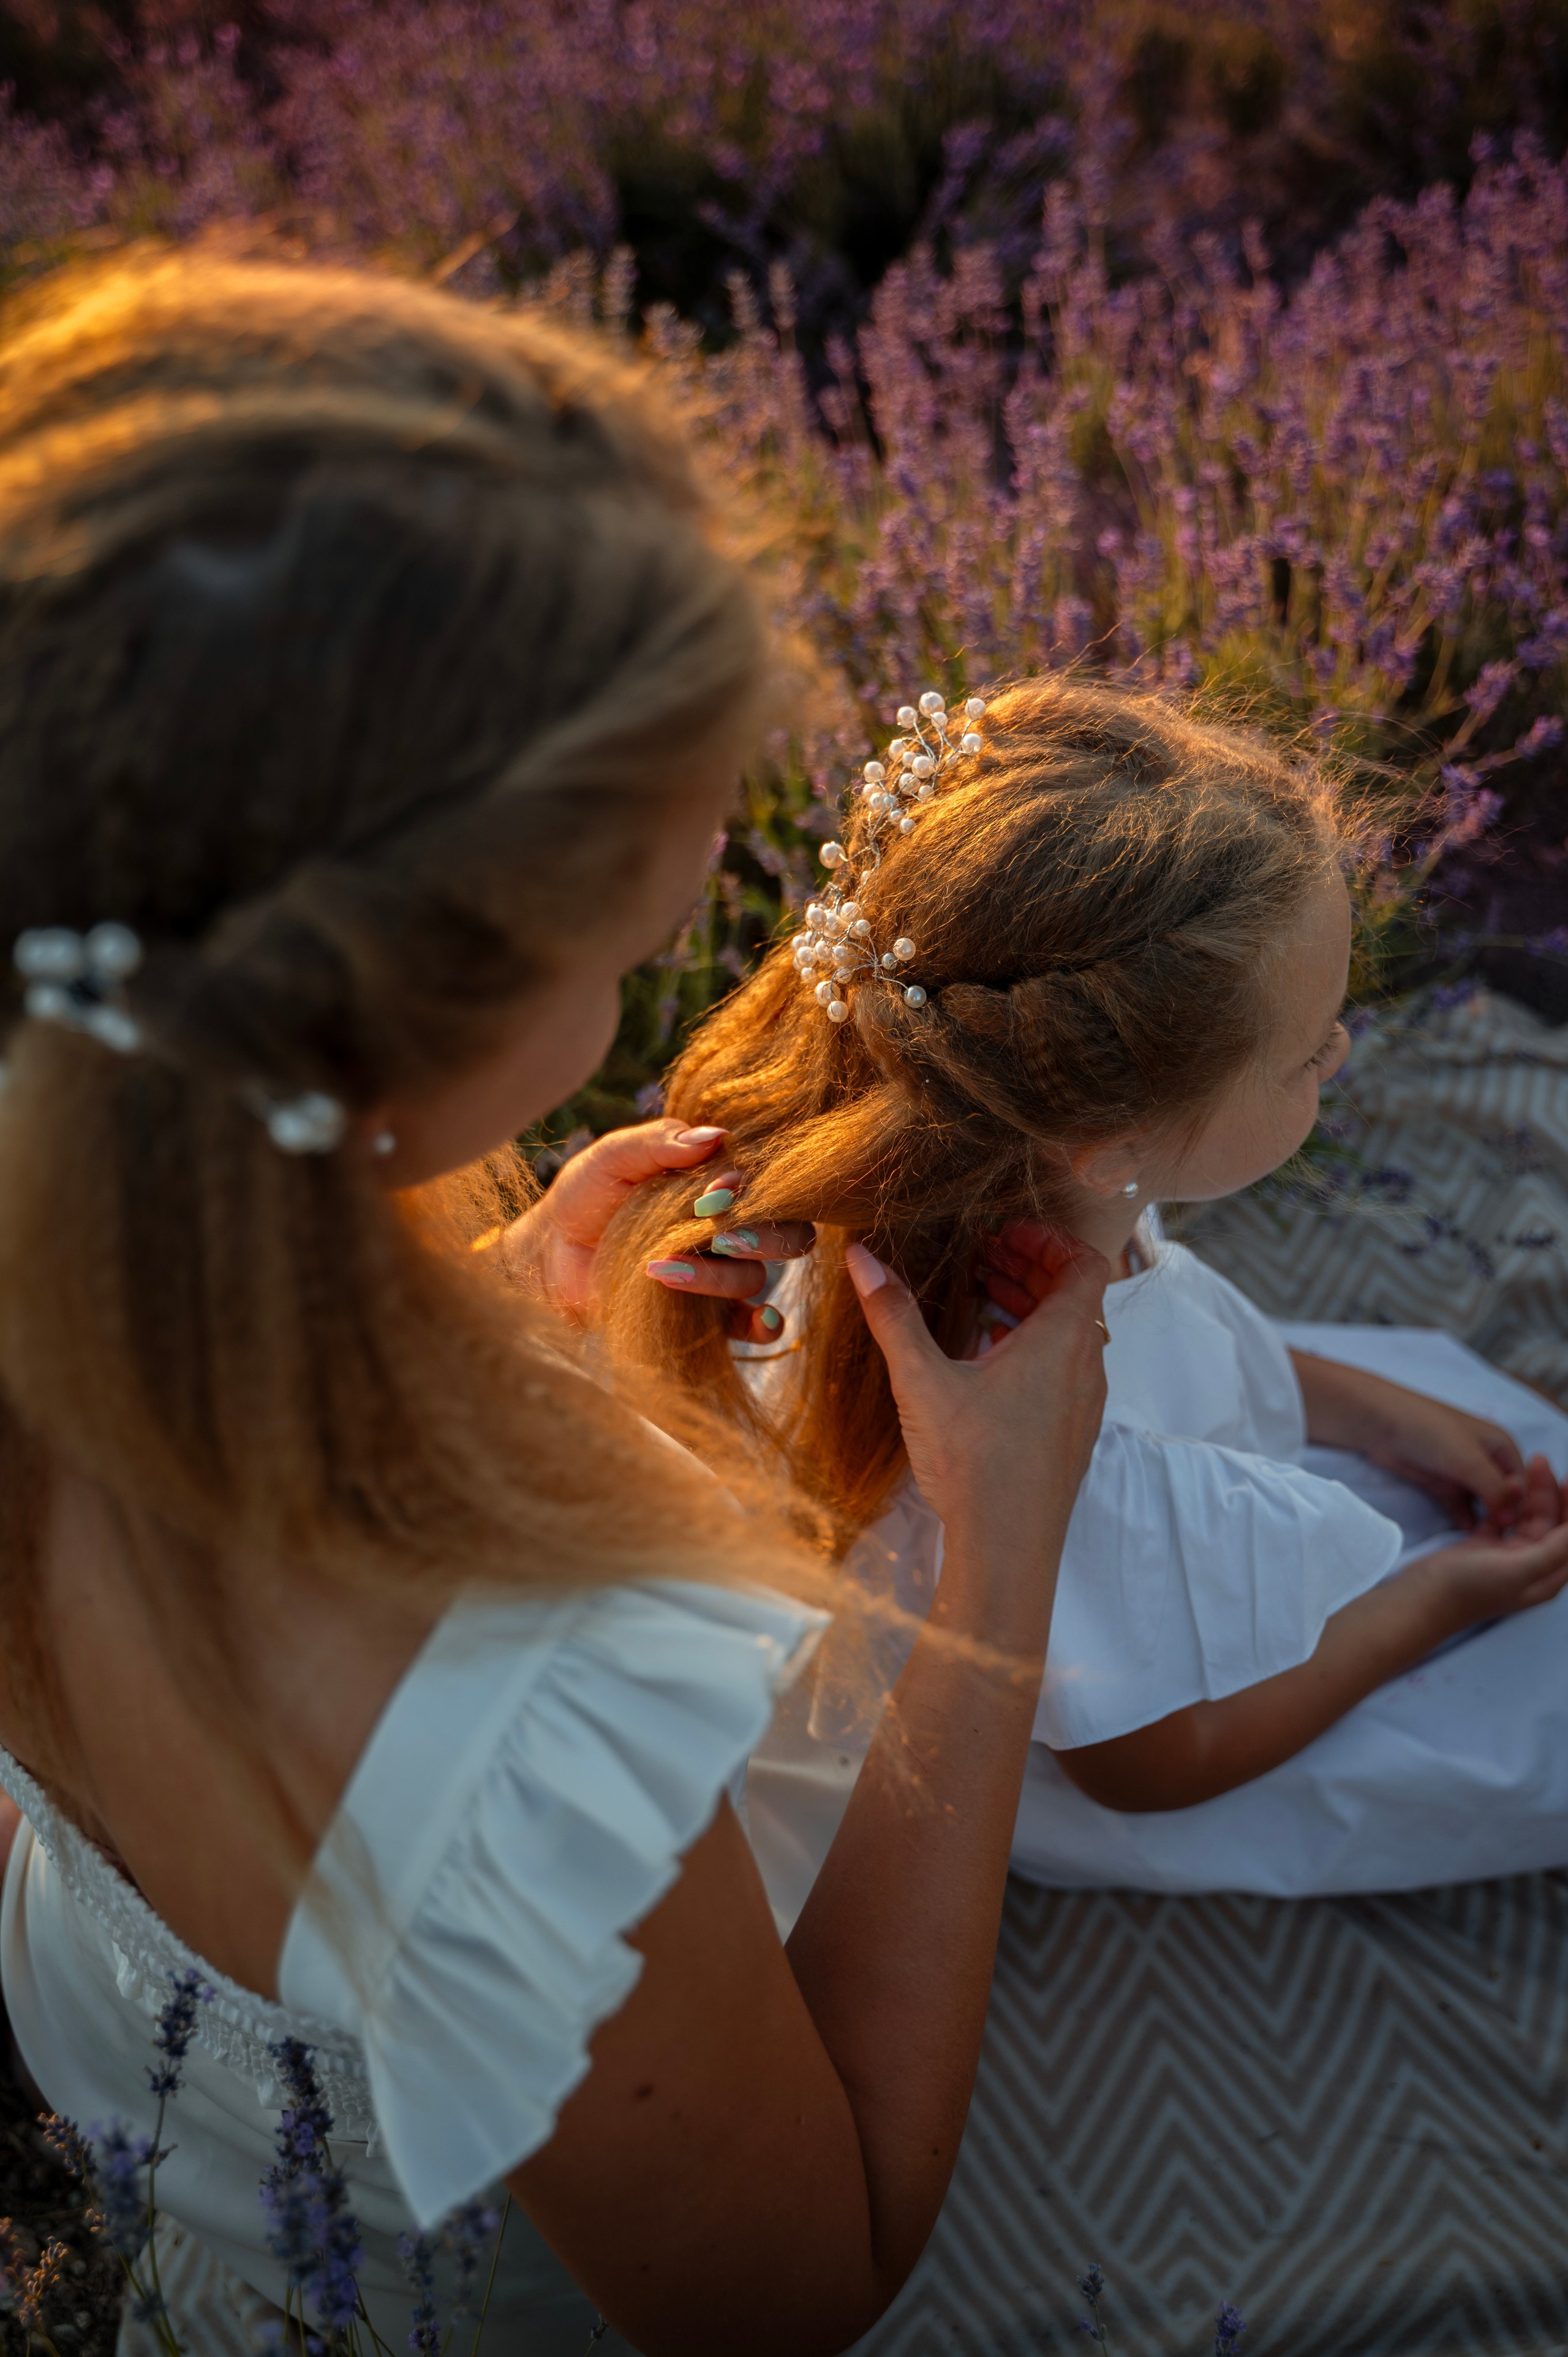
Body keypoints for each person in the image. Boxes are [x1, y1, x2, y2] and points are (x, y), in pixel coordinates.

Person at [0, 256, 1111, 2354]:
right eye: (621, 948)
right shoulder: (522, 1700)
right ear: (382, 1045)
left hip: (130, 2056)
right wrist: (1001, 1544)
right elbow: (800, 2287)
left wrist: (481, 1291)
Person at [605, 674, 1568, 1921]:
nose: (1337, 1054)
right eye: (1304, 1050)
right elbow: (1151, 1764)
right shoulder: (1063, 1440)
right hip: (1144, 1713)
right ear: (1108, 1133)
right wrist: (1432, 1600)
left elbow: (1184, 1331)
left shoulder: (1019, 1184)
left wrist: (1376, 1415)